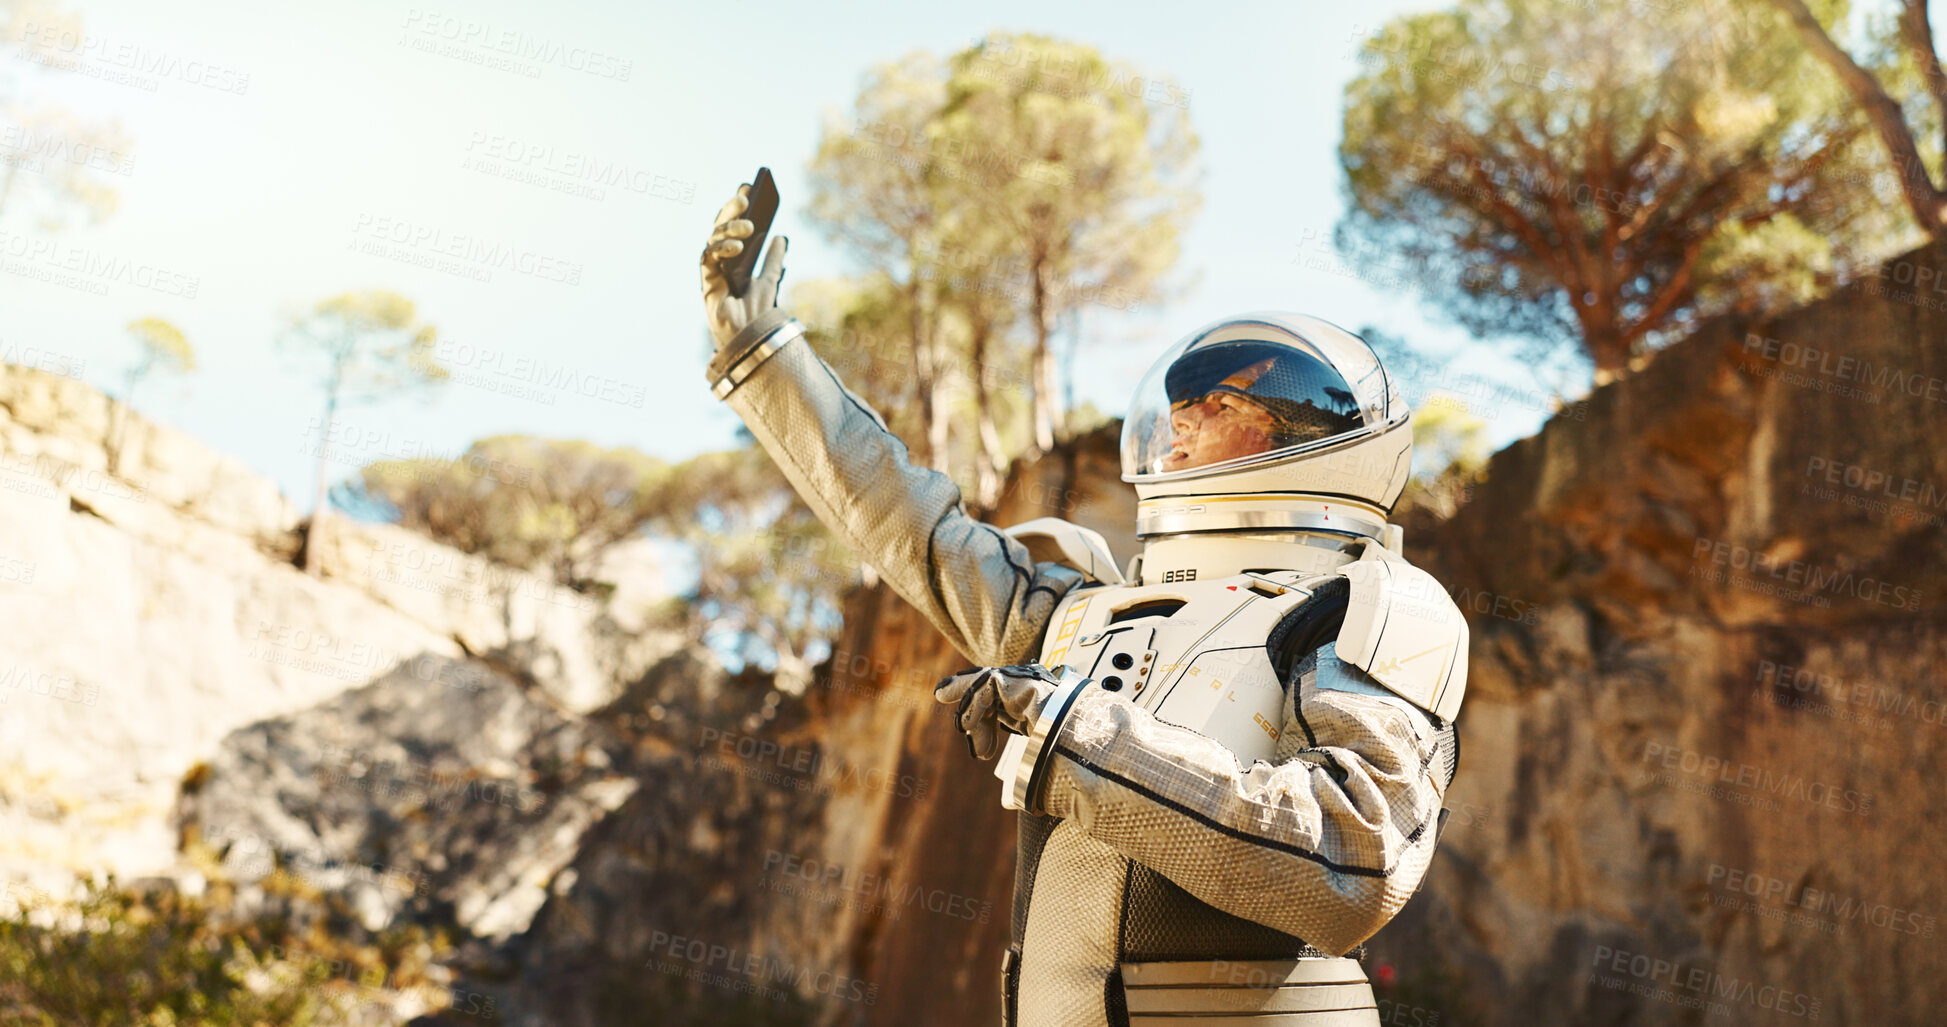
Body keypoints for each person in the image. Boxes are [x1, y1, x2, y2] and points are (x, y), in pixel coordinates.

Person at [700, 180, 1466, 1027]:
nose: (1181, 420)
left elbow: (1351, 861)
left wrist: (1082, 733)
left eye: (1222, 401)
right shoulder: (1088, 614)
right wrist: (764, 351)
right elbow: (908, 523)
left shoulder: (1371, 604)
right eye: (1179, 400)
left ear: (1308, 439)